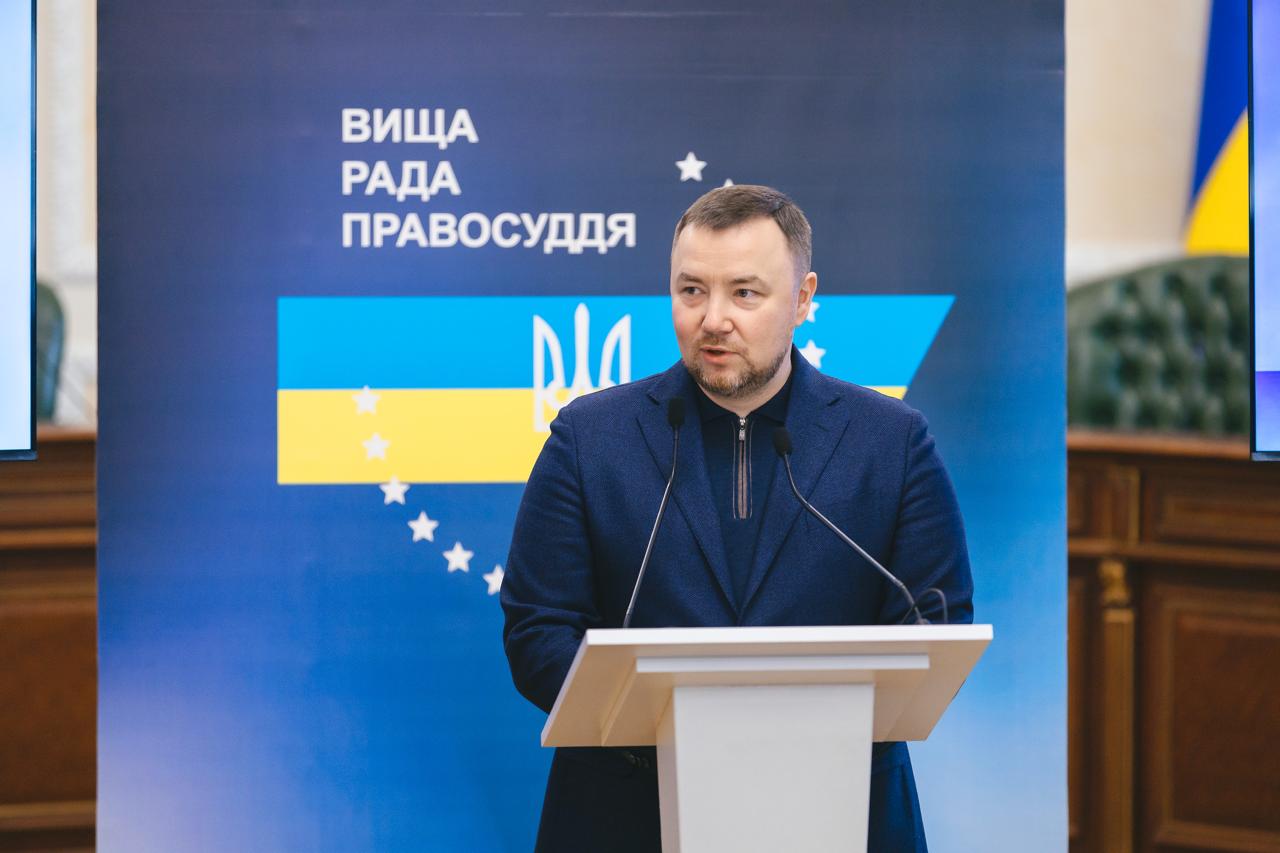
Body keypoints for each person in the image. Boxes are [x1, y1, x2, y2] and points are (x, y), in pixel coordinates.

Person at [501, 185, 973, 852]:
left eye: (745, 293)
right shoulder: (590, 438)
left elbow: (934, 622)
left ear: (803, 299)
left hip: (840, 805)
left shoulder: (891, 442)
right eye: (692, 291)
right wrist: (675, 719)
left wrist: (784, 720)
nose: (713, 319)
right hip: (628, 809)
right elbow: (537, 631)